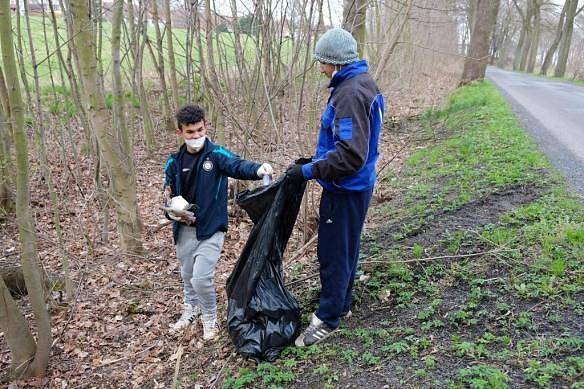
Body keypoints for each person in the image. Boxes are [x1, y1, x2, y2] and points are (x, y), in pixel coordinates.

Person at [286, 28, 384, 347]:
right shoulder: (361, 83)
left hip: (346, 189)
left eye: (324, 62)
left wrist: (308, 171)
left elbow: (350, 155)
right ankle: (342, 302)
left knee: (333, 252)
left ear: (337, 62)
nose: (321, 69)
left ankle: (327, 319)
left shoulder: (350, 93)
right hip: (357, 186)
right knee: (347, 248)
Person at [164, 104, 273, 340]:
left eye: (200, 130)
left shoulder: (216, 155)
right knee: (187, 276)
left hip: (211, 228)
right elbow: (168, 190)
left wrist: (257, 170)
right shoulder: (174, 162)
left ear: (206, 127)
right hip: (184, 229)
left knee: (201, 278)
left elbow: (237, 165)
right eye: (190, 132)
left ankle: (210, 318)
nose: (196, 136)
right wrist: (171, 207)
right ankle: (190, 310)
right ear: (180, 132)